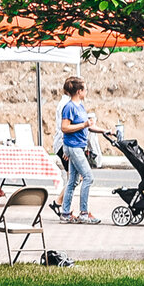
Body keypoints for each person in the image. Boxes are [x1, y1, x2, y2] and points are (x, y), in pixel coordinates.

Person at [55, 76, 99, 223]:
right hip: (73, 146)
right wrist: (84, 125)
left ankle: (65, 213)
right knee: (88, 177)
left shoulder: (80, 106)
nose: (86, 92)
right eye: (85, 89)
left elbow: (87, 125)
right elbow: (65, 127)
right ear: (79, 91)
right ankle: (84, 213)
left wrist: (105, 131)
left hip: (78, 146)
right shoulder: (69, 107)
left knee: (73, 181)